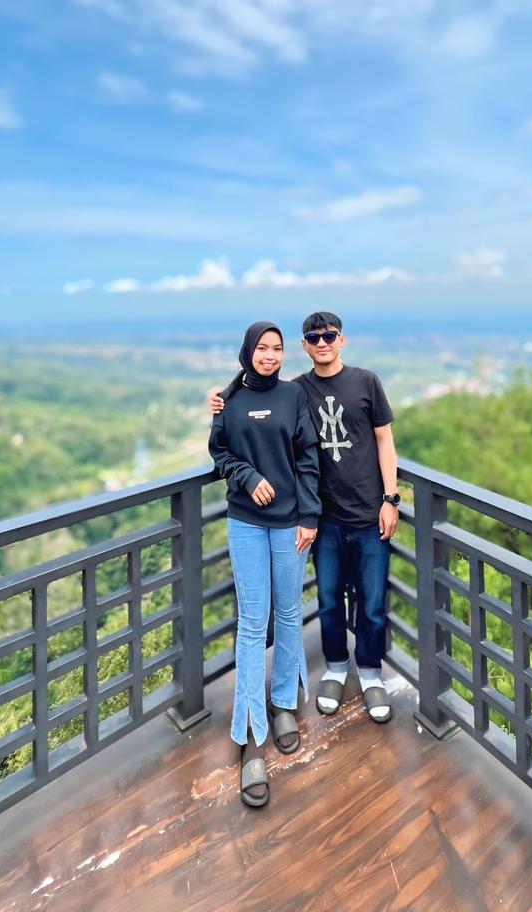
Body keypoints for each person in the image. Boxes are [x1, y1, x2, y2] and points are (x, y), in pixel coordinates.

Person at [212, 311, 400, 725]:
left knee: (371, 602)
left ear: (342, 340)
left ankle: (371, 674)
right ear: (304, 346)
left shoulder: (366, 382)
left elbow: (385, 439)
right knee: (328, 599)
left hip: (367, 512)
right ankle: (335, 669)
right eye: (313, 338)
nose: (322, 343)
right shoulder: (297, 390)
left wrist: (391, 498)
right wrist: (220, 397)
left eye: (329, 336)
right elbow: (253, 392)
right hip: (323, 517)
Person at [208, 321, 320, 809]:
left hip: (291, 523)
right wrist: (248, 477)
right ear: (247, 352)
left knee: (290, 613)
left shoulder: (293, 396)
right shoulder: (227, 401)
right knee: (253, 623)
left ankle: (284, 703)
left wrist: (310, 515)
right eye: (262, 348)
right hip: (246, 523)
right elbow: (220, 454)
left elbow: (308, 456)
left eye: (277, 348)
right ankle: (251, 735)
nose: (270, 355)